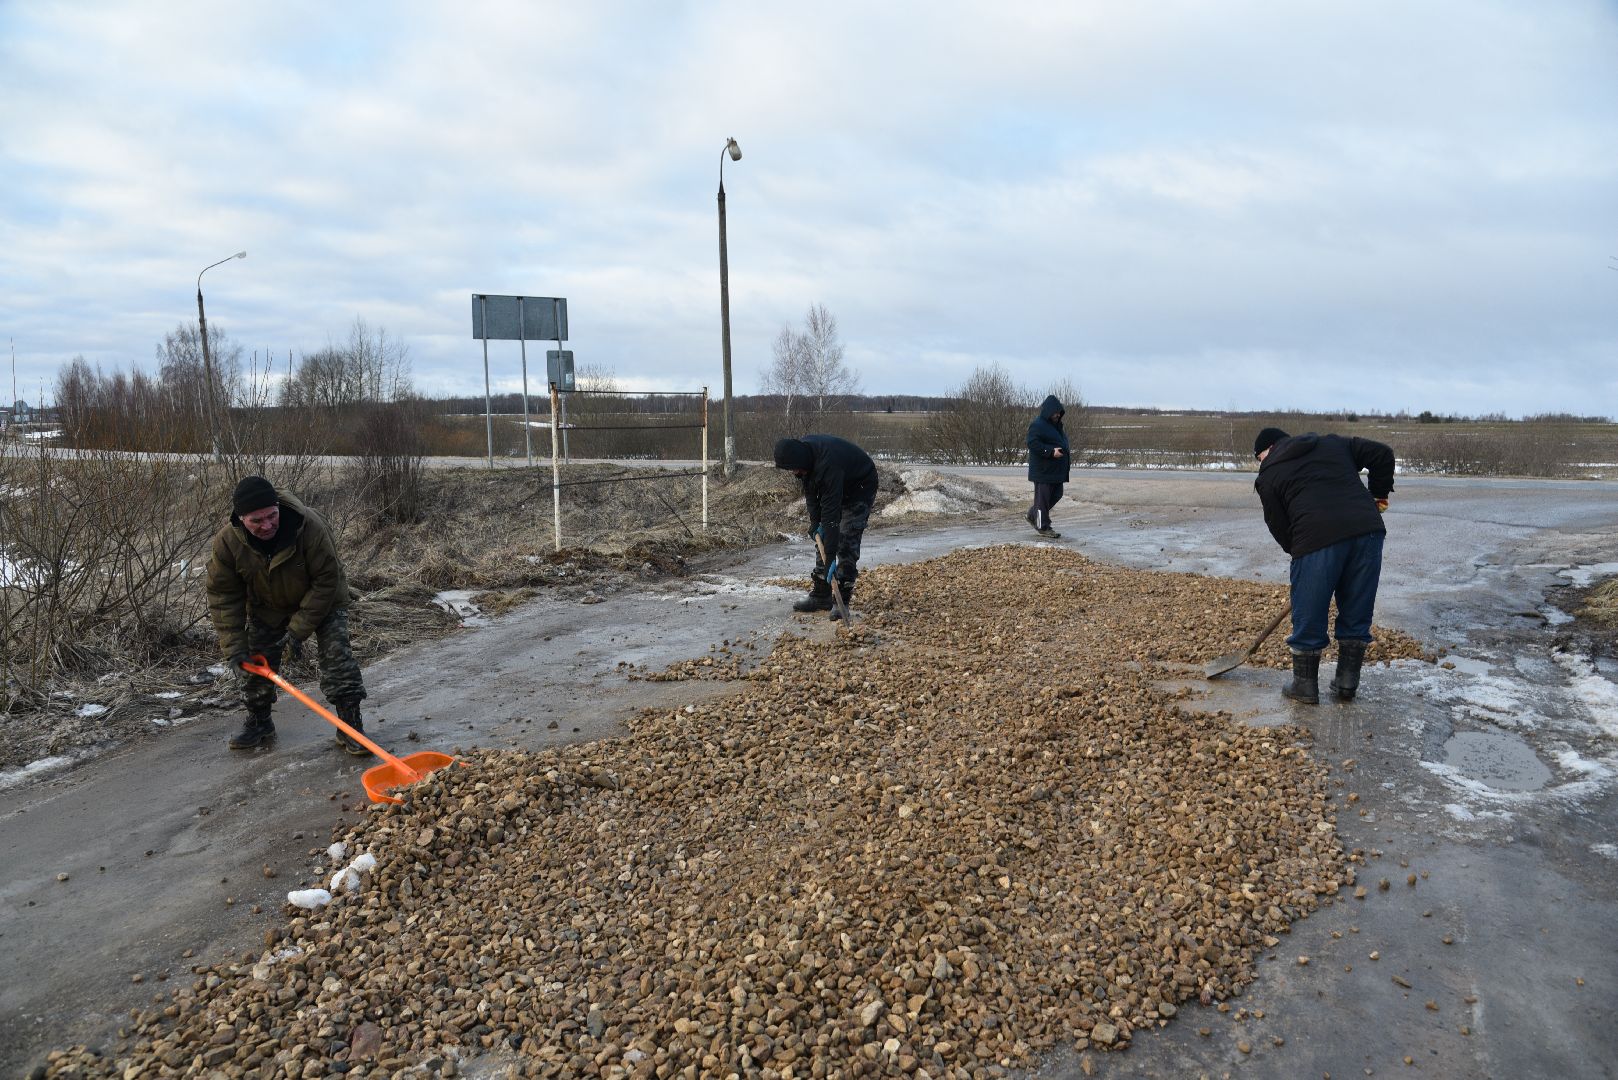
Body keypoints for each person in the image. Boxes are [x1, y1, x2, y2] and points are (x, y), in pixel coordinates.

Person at [205, 475, 370, 753]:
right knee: (254, 659)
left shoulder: (310, 526)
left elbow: (326, 581)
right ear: (240, 518)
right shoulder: (227, 544)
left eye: (272, 516)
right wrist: (234, 650)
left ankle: (350, 725)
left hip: (323, 599)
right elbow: (223, 598)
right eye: (257, 521)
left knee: (337, 657)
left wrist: (296, 632)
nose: (267, 525)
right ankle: (259, 721)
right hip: (268, 606)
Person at [1253, 427, 1395, 704]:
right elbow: (1382, 454)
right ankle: (1346, 684)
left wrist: (1300, 552)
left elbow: (1278, 525)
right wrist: (1377, 496)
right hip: (1368, 531)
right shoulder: (1332, 443)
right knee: (1357, 606)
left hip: (1315, 538)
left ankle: (1304, 687)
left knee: (1309, 610)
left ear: (1266, 450)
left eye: (1259, 457)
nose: (1261, 463)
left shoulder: (1268, 473)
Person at [773, 435, 879, 620]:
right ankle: (821, 595)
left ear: (800, 461)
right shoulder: (805, 460)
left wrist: (831, 556)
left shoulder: (828, 464)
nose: (793, 472)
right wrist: (816, 523)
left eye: (794, 468)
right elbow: (812, 494)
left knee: (846, 538)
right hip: (838, 483)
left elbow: (832, 517)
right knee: (822, 538)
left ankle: (841, 601)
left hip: (860, 486)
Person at [1025, 395, 1070, 538]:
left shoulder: (1057, 426)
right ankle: (1042, 526)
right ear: (1048, 411)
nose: (1057, 414)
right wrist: (1050, 452)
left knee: (1057, 494)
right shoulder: (1038, 425)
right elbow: (1032, 443)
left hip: (1056, 471)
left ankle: (1033, 515)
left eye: (1059, 412)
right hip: (1043, 471)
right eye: (1055, 412)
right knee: (1042, 500)